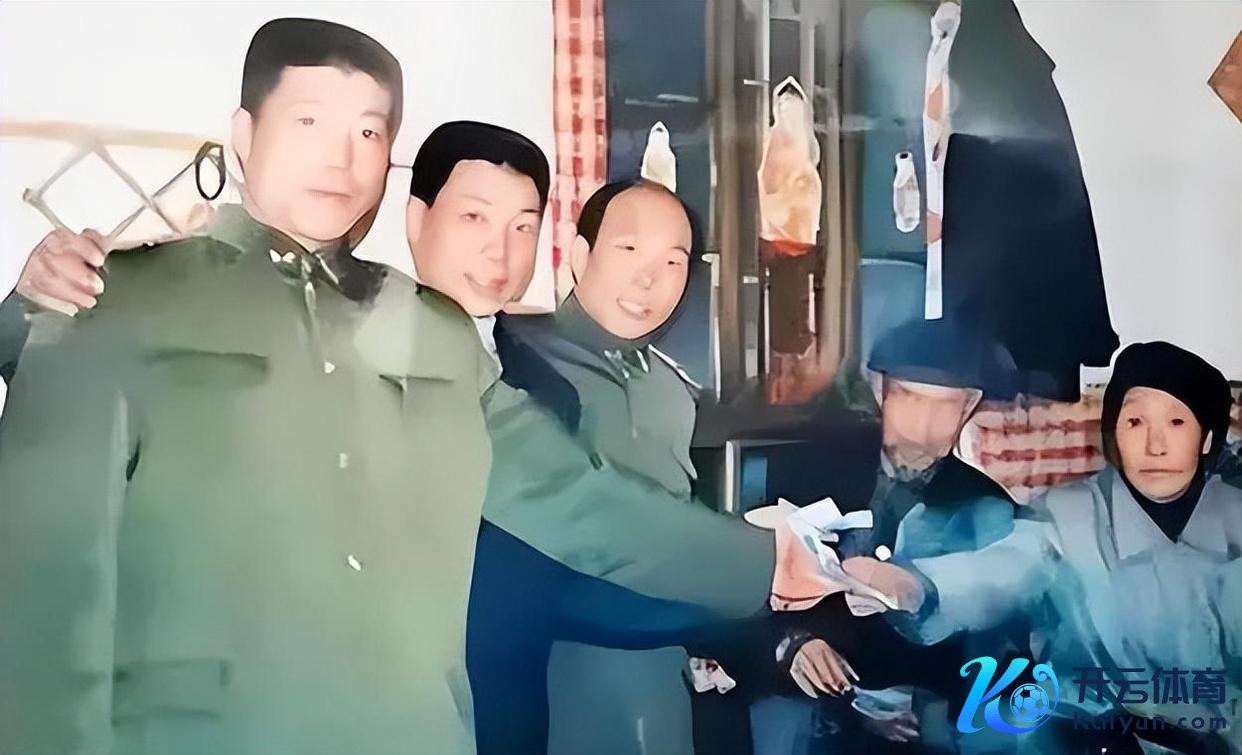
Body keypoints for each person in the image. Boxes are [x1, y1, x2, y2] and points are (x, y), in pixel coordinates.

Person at [0, 20, 501, 754]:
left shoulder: (436, 330)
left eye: (368, 132)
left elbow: (554, 500)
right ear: (244, 134)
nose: (341, 157)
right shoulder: (117, 297)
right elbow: (44, 600)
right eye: (309, 122)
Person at [846, 341, 1242, 754]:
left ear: (1206, 438)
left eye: (1176, 422)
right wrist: (920, 588)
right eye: (1135, 421)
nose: (1154, 445)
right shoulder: (1068, 515)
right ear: (1115, 433)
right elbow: (1003, 568)